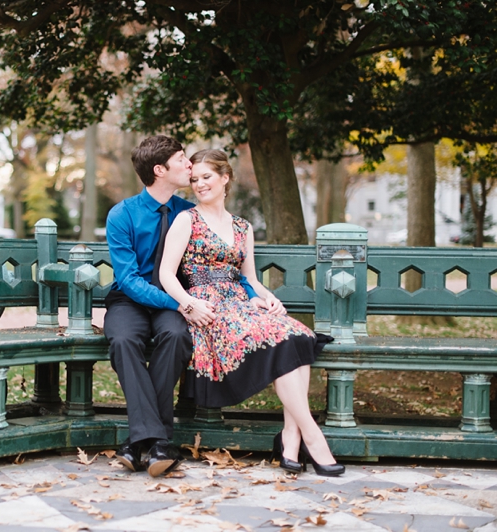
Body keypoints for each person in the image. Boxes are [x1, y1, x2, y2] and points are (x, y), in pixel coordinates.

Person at [158, 149, 344, 477]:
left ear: (225, 177)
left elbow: (251, 278)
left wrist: (268, 298)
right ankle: (312, 436)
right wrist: (189, 305)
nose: (200, 184)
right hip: (207, 308)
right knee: (284, 340)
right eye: (195, 179)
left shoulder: (242, 227)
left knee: (298, 335)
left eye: (207, 177)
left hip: (239, 302)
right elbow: (166, 275)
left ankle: (290, 437)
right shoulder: (187, 219)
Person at [104, 136, 260, 477]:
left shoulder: (188, 214)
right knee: (123, 341)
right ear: (160, 170)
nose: (189, 165)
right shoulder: (122, 214)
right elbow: (129, 280)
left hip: (176, 303)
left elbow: (230, 264)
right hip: (131, 301)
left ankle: (138, 443)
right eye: (181, 159)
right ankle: (158, 441)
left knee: (176, 339)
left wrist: (255, 294)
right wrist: (181, 304)